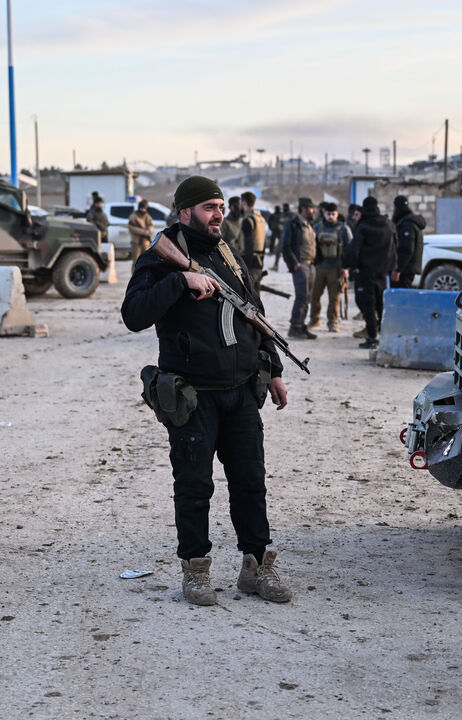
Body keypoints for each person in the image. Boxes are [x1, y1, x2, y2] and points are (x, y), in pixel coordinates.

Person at [121, 175, 293, 607]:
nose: (219, 214)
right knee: (194, 488)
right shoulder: (159, 260)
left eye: (220, 206)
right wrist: (180, 282)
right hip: (193, 396)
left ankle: (257, 566)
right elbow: (133, 315)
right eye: (209, 207)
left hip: (241, 391)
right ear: (185, 212)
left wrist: (273, 369)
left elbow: (254, 314)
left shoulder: (227, 254)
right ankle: (195, 570)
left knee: (251, 483)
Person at [343, 196, 396, 348]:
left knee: (368, 305)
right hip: (382, 272)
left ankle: (372, 337)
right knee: (381, 304)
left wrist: (353, 266)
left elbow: (354, 249)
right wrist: (392, 267)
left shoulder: (363, 225)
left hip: (365, 272)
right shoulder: (388, 224)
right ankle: (384, 336)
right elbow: (394, 247)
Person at [307, 202, 351, 332]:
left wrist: (346, 268)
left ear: (337, 214)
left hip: (336, 268)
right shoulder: (317, 228)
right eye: (328, 214)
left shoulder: (343, 229)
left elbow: (350, 249)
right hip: (319, 267)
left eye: (333, 214)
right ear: (324, 213)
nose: (330, 216)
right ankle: (314, 320)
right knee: (314, 295)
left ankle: (332, 322)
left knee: (334, 297)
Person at [281, 197, 318, 339]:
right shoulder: (293, 224)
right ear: (303, 208)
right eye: (311, 208)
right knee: (301, 296)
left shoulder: (309, 224)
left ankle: (302, 326)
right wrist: (294, 263)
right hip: (300, 264)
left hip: (311, 264)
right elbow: (285, 246)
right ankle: (294, 327)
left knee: (307, 298)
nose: (313, 211)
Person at [391, 195, 426, 288]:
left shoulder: (407, 225)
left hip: (405, 270)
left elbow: (406, 250)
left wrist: (398, 270)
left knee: (401, 294)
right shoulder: (410, 223)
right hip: (408, 268)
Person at [238, 191, 267, 273]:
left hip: (249, 264)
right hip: (259, 262)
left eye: (240, 202)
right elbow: (263, 243)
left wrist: (245, 268)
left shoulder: (248, 221)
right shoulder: (261, 219)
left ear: (244, 203)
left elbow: (248, 245)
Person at [127, 198, 155, 264]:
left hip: (145, 242)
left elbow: (151, 225)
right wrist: (143, 232)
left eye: (144, 208)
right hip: (136, 242)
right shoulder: (133, 216)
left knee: (146, 261)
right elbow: (131, 228)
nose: (143, 210)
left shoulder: (147, 216)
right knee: (136, 262)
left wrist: (149, 230)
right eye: (142, 208)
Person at [268, 203, 290, 271]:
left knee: (286, 252)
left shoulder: (290, 215)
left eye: (284, 207)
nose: (284, 208)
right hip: (282, 235)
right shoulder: (282, 215)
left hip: (287, 236)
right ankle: (276, 266)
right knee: (279, 251)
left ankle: (289, 266)